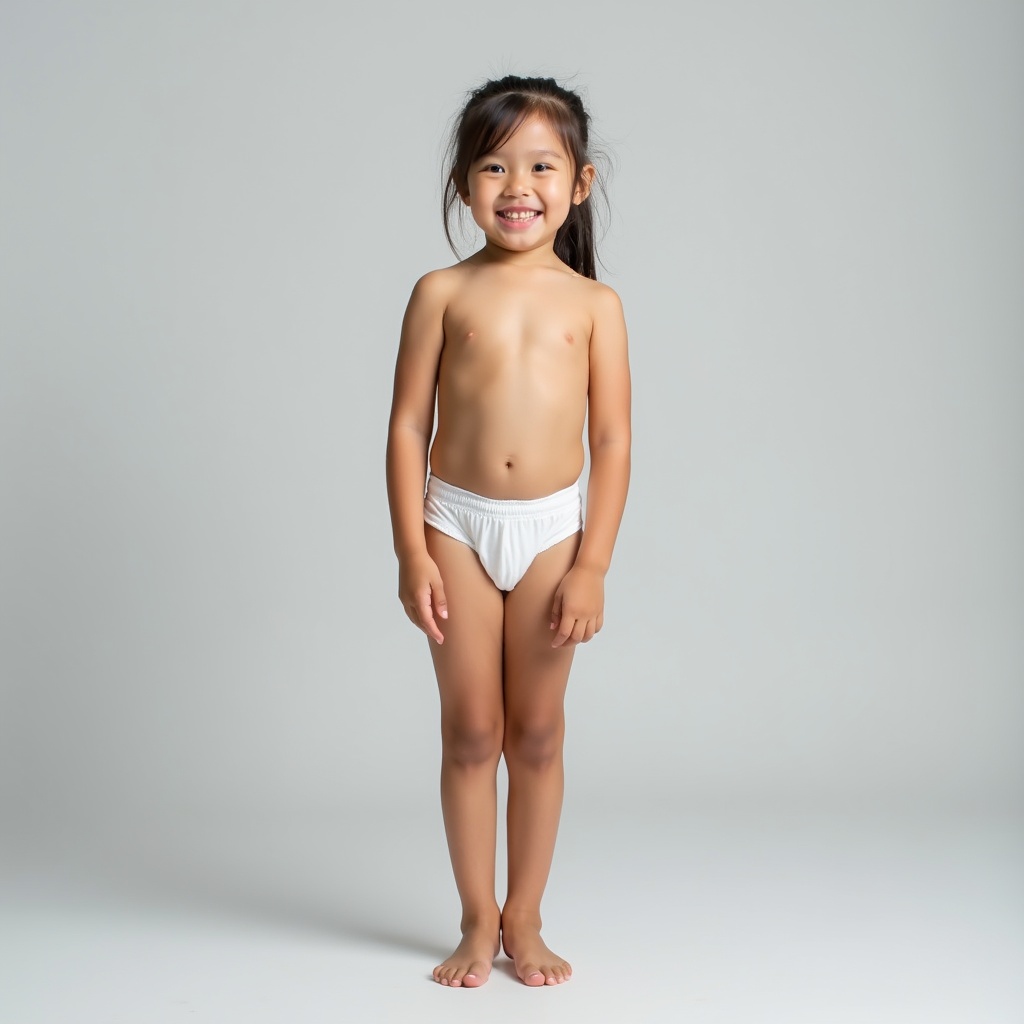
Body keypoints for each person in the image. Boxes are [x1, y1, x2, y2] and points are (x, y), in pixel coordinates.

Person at [385, 74, 631, 988]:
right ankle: (472, 918)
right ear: (463, 184)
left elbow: (611, 439)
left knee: (535, 734)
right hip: (455, 520)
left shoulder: (595, 306)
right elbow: (409, 423)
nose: (516, 185)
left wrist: (593, 563)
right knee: (470, 732)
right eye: (493, 166)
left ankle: (523, 916)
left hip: (551, 534)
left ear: (580, 183)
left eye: (539, 165)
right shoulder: (441, 292)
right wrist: (412, 548)